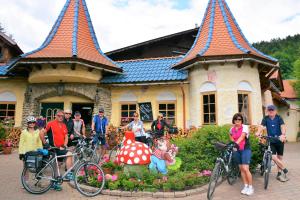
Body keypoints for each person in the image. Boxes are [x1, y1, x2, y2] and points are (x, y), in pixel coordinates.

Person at [40, 110, 73, 191]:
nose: (60, 117)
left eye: (62, 116)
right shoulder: (50, 123)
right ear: (55, 116)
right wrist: (45, 144)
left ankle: (54, 184)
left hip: (60, 148)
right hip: (54, 148)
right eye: (58, 115)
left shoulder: (64, 125)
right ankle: (69, 173)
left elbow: (66, 136)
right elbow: (41, 133)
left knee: (57, 166)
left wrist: (64, 145)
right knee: (69, 154)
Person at [256, 105, 289, 182]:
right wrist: (258, 132)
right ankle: (284, 168)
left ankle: (279, 173)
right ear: (267, 111)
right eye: (269, 110)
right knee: (273, 157)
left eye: (272, 110)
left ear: (275, 111)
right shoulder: (265, 118)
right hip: (270, 140)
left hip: (279, 140)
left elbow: (283, 126)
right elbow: (261, 126)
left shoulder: (279, 117)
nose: (271, 111)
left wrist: (283, 135)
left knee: (280, 157)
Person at [230, 113, 254, 196]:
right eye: (236, 119)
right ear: (234, 120)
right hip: (237, 150)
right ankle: (246, 186)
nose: (237, 121)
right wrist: (233, 144)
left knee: (245, 168)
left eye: (239, 119)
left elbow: (242, 137)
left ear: (242, 120)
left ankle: (251, 187)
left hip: (245, 150)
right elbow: (231, 137)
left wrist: (235, 143)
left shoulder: (245, 127)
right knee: (241, 169)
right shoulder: (232, 129)